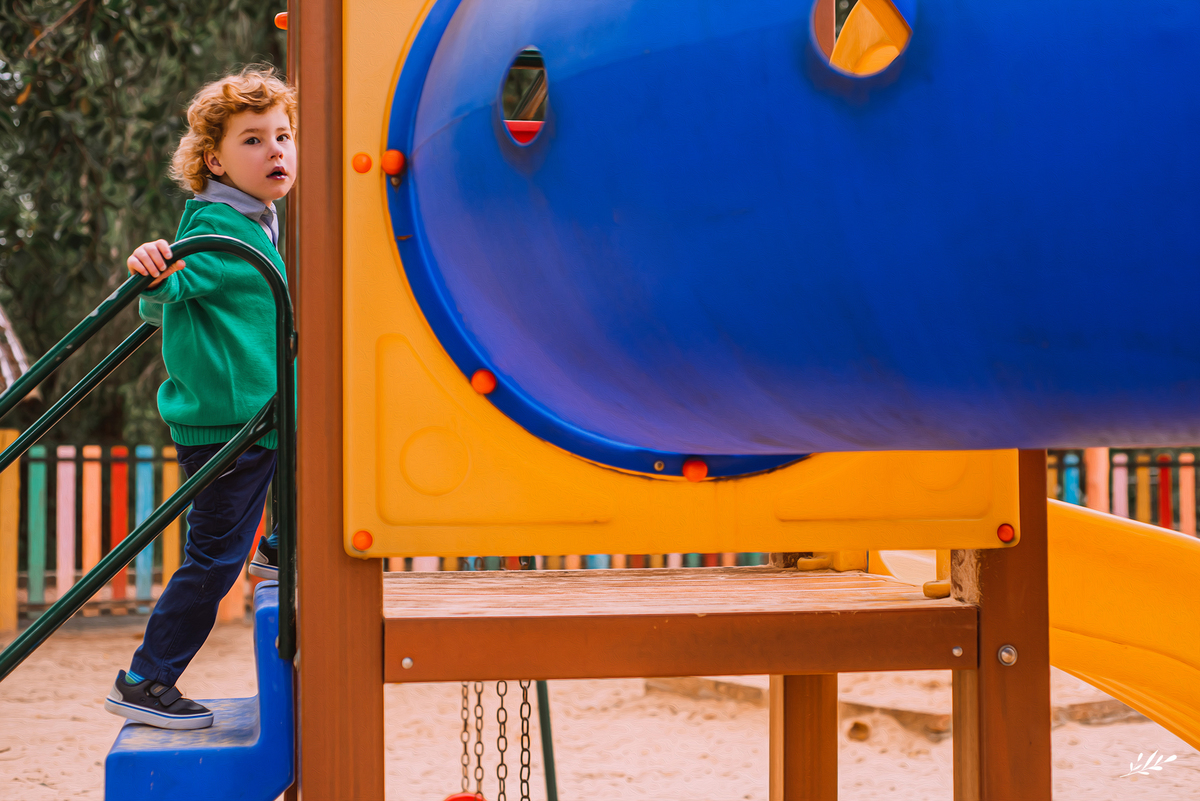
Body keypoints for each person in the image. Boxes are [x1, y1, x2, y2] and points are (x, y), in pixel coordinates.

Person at [103, 66, 296, 730]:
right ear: (214, 159)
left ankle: (281, 539)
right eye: (253, 140)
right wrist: (151, 267)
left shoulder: (261, 222)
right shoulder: (215, 229)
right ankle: (146, 678)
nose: (275, 150)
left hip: (257, 422)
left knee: (321, 439)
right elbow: (164, 293)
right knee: (213, 561)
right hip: (228, 432)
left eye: (283, 135)